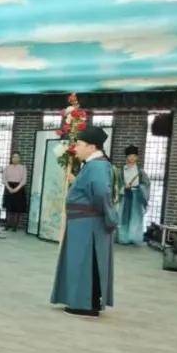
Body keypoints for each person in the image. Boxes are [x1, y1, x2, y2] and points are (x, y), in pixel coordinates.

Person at [51, 126, 118, 318]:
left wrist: (105, 215)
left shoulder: (97, 166)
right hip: (83, 223)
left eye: (79, 144)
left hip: (88, 224)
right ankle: (81, 301)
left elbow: (101, 193)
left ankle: (86, 304)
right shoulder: (92, 165)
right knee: (81, 262)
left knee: (86, 262)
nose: (76, 148)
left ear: (92, 146)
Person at [116, 145, 150, 246]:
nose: (132, 158)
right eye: (130, 156)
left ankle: (134, 237)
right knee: (124, 216)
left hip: (137, 196)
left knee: (136, 216)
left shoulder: (140, 171)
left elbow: (146, 184)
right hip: (124, 195)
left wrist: (139, 187)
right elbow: (117, 184)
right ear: (126, 157)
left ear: (137, 157)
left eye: (134, 156)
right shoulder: (121, 170)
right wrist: (123, 187)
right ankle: (123, 238)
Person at [2, 152, 29, 232]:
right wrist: (9, 188)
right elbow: (4, 179)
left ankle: (15, 226)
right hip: (8, 187)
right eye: (13, 157)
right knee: (8, 207)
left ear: (19, 158)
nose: (15, 158)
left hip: (19, 188)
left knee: (18, 208)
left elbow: (24, 180)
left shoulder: (23, 168)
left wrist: (16, 189)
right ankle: (7, 224)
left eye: (17, 157)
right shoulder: (7, 167)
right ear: (11, 158)